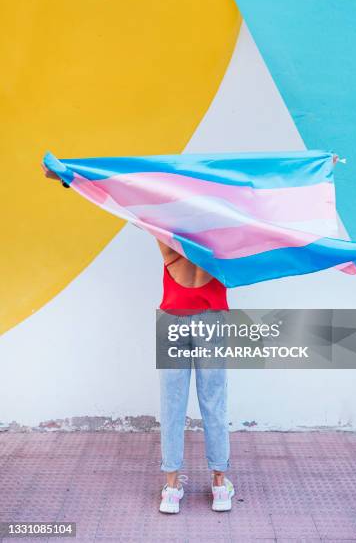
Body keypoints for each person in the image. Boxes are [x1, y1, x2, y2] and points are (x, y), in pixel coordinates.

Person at [41, 163, 234, 514]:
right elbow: (272, 219)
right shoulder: (221, 229)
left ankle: (172, 488)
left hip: (172, 319)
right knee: (214, 404)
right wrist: (315, 173)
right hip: (212, 320)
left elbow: (114, 198)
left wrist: (69, 177)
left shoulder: (162, 228)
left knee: (172, 405)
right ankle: (220, 486)